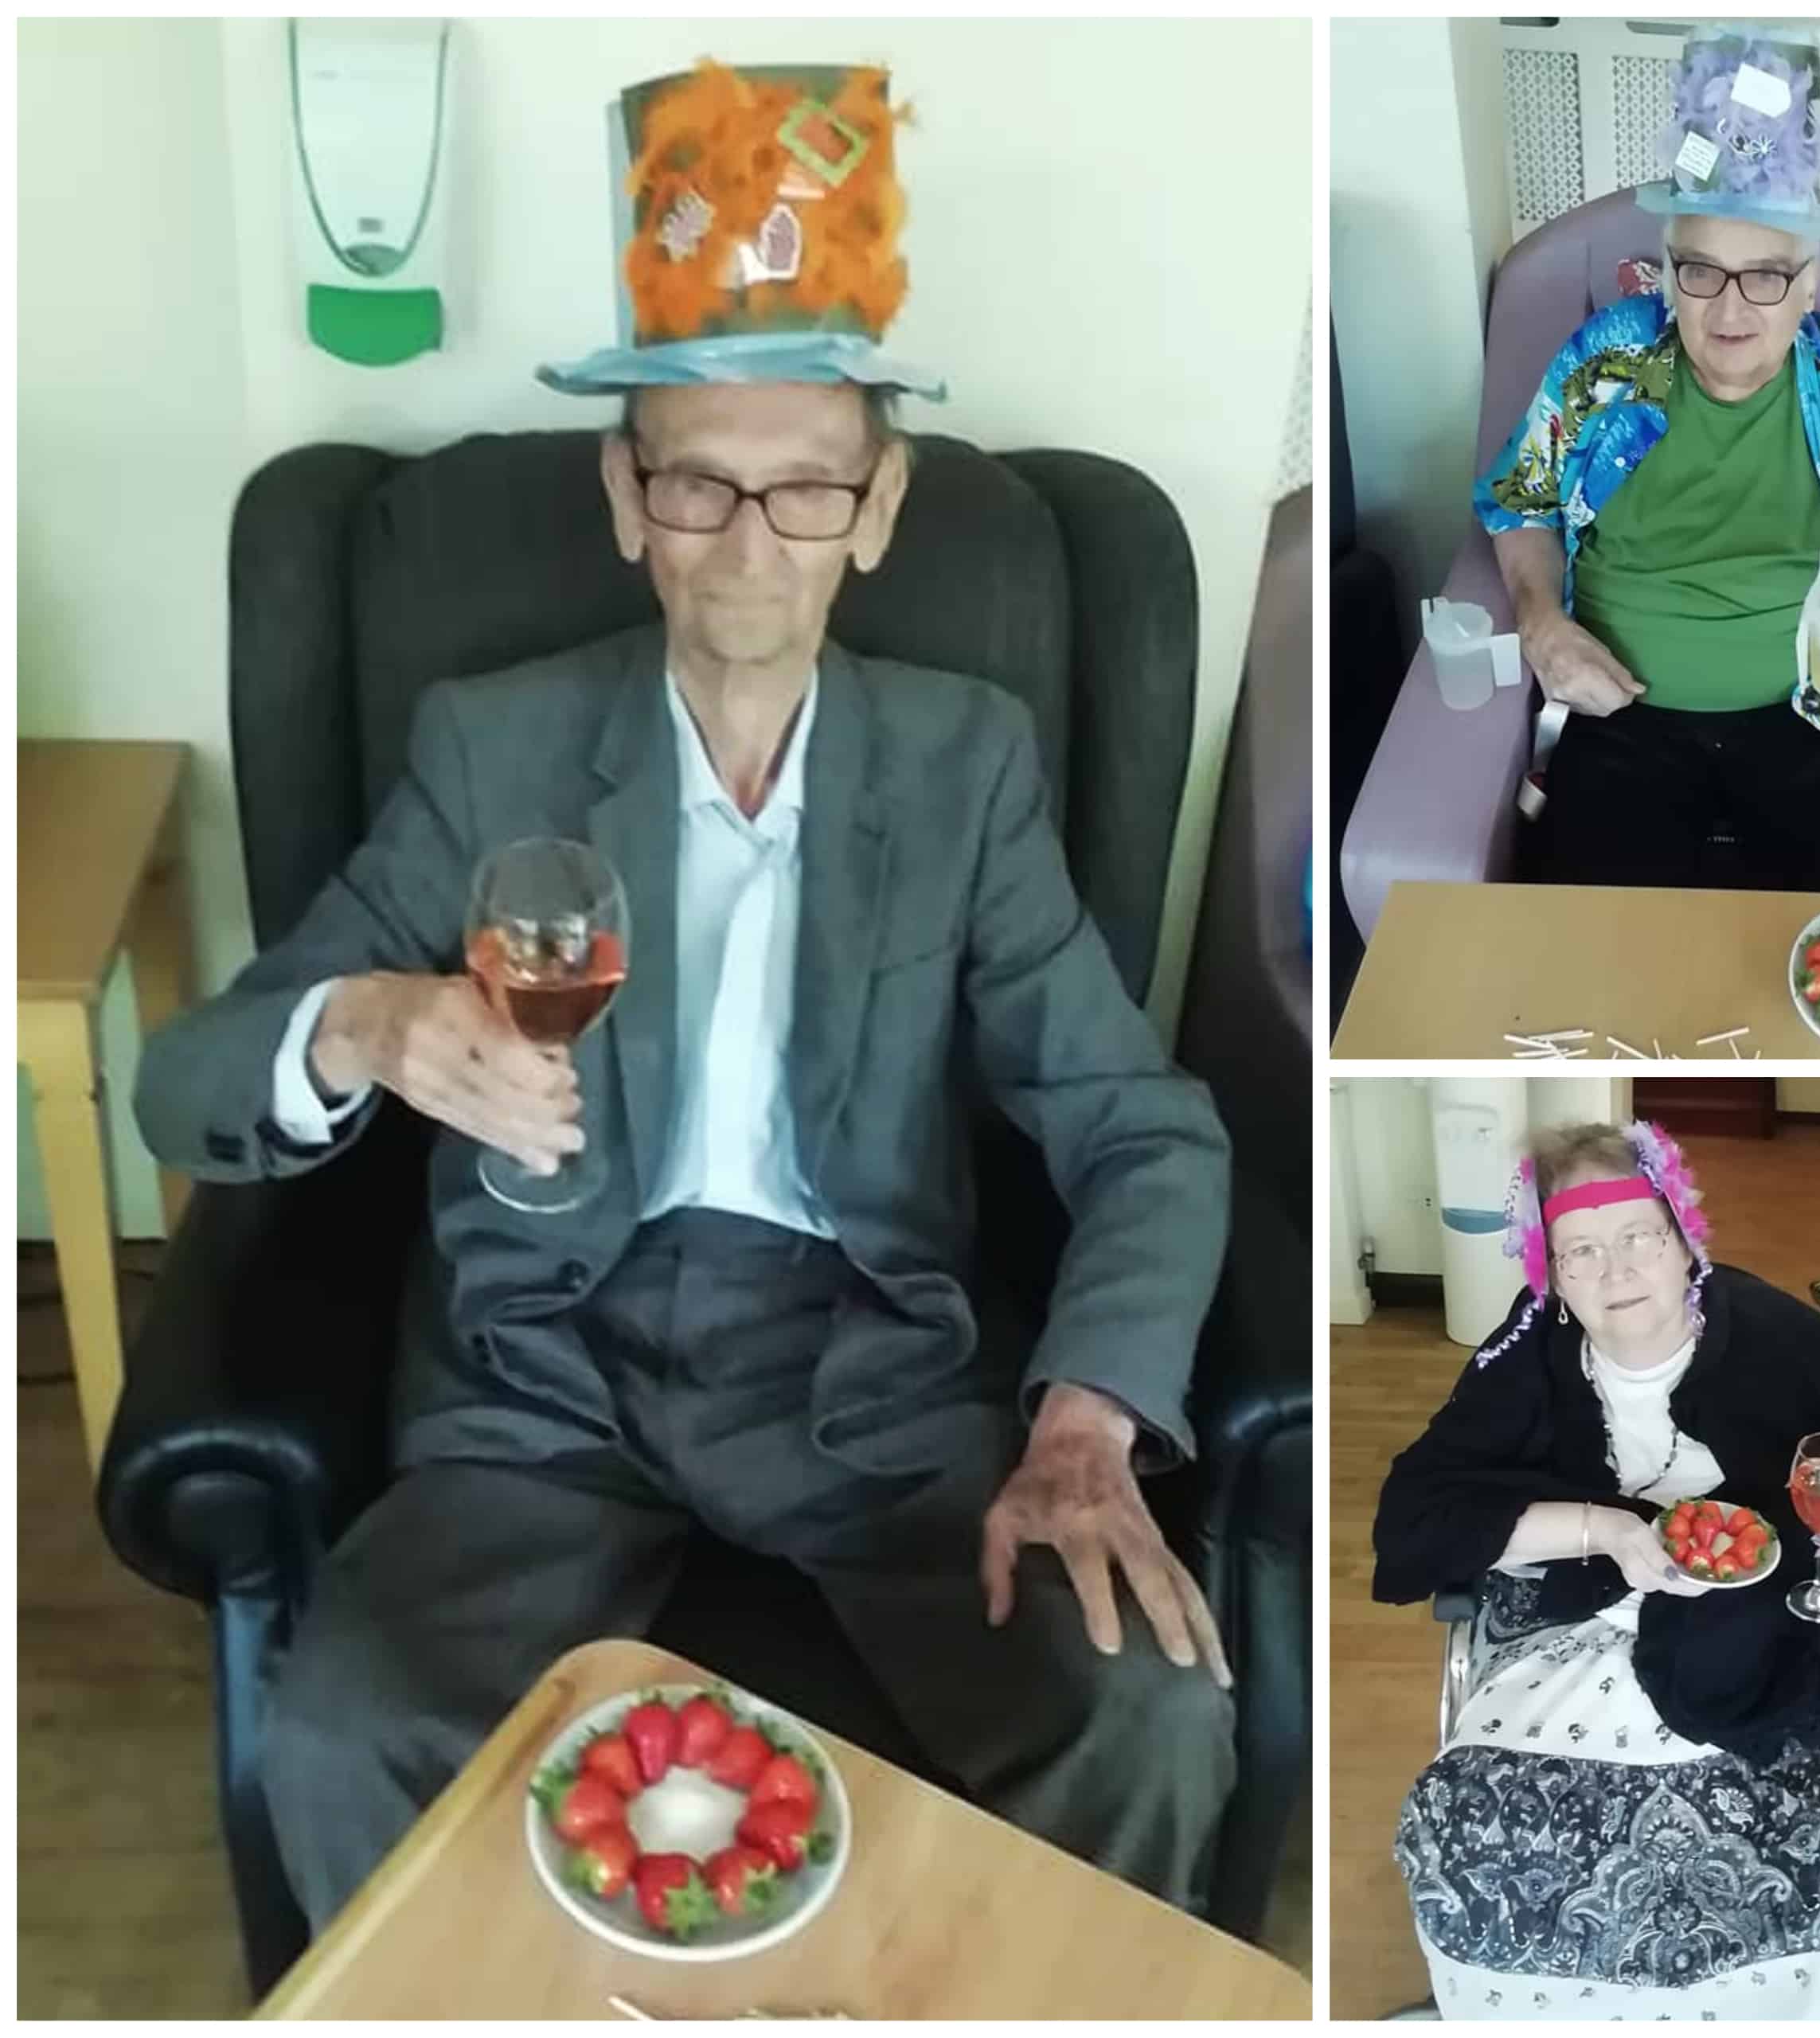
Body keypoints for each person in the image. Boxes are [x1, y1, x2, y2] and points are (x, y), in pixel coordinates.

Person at [134, 60, 1236, 1929]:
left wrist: (1078, 1421)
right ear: (622, 495)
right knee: (339, 1733)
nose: (747, 540)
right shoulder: (492, 746)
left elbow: (1137, 1125)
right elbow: (189, 1080)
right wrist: (376, 1023)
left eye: (805, 487)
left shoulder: (958, 762)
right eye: (698, 481)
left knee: (1141, 1719)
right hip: (538, 1382)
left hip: (875, 1380)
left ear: (879, 508)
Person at [1373, 1121, 1820, 2019]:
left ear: (1681, 1236)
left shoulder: (1777, 1333)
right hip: (1587, 1618)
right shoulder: (1529, 1354)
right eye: (1582, 1250)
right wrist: (1604, 1530)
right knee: (1476, 1818)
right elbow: (1416, 1519)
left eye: (1638, 1238)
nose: (1616, 1271)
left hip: (1787, 1617)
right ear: (1548, 1270)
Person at [1476, 23, 1820, 892]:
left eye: (1765, 276)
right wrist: (1539, 622)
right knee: (1589, 963)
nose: (1730, 309)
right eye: (1700, 272)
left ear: (1805, 285)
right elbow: (1522, 502)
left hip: (1810, 718)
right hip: (1622, 713)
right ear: (1667, 268)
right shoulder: (1605, 362)